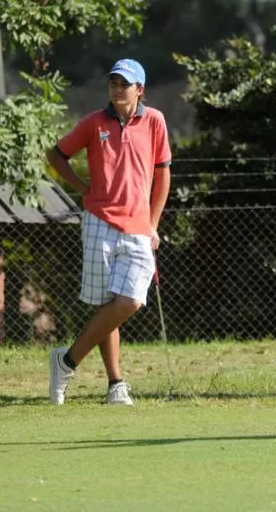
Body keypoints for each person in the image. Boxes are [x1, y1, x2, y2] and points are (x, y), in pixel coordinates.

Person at [46, 59, 172, 406]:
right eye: (113, 82)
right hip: (98, 221)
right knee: (107, 304)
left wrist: (154, 223)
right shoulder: (92, 123)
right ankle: (116, 385)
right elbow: (56, 156)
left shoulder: (155, 121)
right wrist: (81, 188)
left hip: (138, 226)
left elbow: (163, 176)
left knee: (129, 300)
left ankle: (66, 360)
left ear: (140, 90)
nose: (118, 88)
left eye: (125, 84)